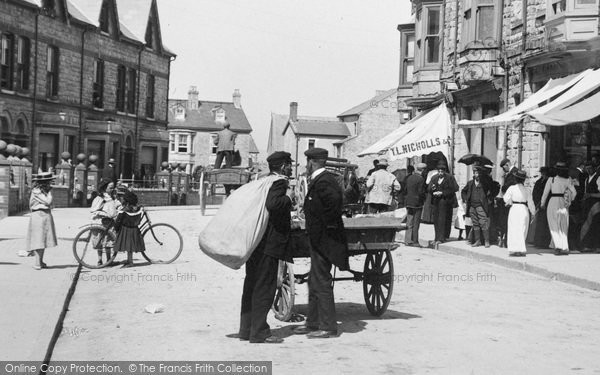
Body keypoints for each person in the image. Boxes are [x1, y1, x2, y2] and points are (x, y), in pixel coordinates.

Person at [236, 151, 295, 344]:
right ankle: (260, 332)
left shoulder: (263, 181)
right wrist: (289, 198)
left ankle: (246, 330)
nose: (291, 167)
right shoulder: (279, 182)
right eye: (289, 164)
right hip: (270, 244)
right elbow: (274, 204)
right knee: (265, 287)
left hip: (256, 242)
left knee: (251, 284)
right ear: (283, 166)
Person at [293, 147, 348, 339]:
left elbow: (332, 210)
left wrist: (322, 232)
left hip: (325, 241)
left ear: (312, 162)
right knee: (314, 281)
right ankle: (313, 322)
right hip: (318, 240)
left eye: (307, 162)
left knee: (322, 282)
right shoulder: (320, 180)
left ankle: (328, 327)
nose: (306, 166)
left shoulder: (325, 181)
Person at [541, 162, 576, 255]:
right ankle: (564, 247)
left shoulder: (551, 179)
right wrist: (569, 201)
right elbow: (574, 192)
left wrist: (542, 203)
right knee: (563, 225)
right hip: (563, 203)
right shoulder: (567, 180)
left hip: (553, 202)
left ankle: (558, 247)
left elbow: (545, 193)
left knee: (554, 225)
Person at [26, 172, 58, 270]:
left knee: (43, 238)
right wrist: (49, 193)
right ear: (44, 182)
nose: (51, 183)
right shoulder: (37, 191)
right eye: (49, 181)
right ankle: (37, 263)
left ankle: (40, 261)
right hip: (38, 215)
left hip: (45, 214)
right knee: (38, 239)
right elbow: (48, 201)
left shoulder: (45, 190)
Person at [503, 170, 535, 256]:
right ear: (524, 180)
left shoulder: (511, 188)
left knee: (513, 229)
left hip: (514, 209)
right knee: (522, 229)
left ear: (516, 179)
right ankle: (521, 249)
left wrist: (509, 201)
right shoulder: (527, 190)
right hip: (524, 209)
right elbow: (530, 202)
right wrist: (533, 212)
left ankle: (514, 249)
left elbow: (506, 198)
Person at [428, 161, 458, 247]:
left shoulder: (449, 178)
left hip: (445, 202)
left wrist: (442, 193)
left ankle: (441, 238)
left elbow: (454, 188)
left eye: (442, 171)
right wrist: (433, 190)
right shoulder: (434, 178)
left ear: (445, 171)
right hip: (436, 201)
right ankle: (436, 237)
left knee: (442, 220)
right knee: (436, 220)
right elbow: (429, 188)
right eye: (439, 171)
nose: (440, 173)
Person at [461, 164, 492, 247]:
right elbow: (463, 191)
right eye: (475, 173)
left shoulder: (484, 184)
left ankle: (486, 241)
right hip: (472, 206)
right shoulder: (470, 183)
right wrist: (465, 199)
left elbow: (491, 192)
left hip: (481, 206)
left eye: (478, 173)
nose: (476, 175)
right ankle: (477, 241)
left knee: (483, 223)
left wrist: (488, 200)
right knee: (475, 223)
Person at [90, 180, 119, 266]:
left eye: (113, 187)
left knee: (108, 241)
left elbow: (115, 205)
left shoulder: (111, 197)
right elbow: (94, 210)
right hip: (100, 222)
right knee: (99, 241)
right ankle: (99, 260)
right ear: (104, 188)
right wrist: (104, 214)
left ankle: (109, 260)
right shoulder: (100, 198)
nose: (112, 189)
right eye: (110, 188)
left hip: (109, 223)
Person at [113, 191, 144, 268]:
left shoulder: (124, 210)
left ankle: (130, 262)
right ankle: (129, 260)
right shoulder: (138, 209)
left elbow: (118, 221)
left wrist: (116, 229)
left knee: (128, 246)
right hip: (135, 229)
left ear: (126, 201)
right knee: (130, 246)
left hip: (126, 229)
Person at [404, 162, 426, 247]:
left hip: (409, 202)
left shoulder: (409, 177)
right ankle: (415, 241)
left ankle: (407, 240)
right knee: (416, 222)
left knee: (409, 221)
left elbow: (405, 190)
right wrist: (424, 198)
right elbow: (421, 192)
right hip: (417, 203)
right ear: (423, 170)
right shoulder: (420, 179)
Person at [580, 160, 600, 252]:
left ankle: (597, 246)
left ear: (594, 168)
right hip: (587, 205)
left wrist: (591, 195)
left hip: (596, 206)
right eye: (587, 169)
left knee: (596, 226)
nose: (588, 170)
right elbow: (585, 193)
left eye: (590, 168)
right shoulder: (586, 179)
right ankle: (588, 246)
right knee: (588, 225)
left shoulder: (598, 178)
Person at [531, 167, 551, 248]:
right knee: (540, 223)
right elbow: (534, 193)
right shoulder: (539, 182)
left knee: (545, 224)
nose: (543, 174)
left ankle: (544, 243)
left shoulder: (549, 181)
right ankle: (538, 242)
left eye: (544, 172)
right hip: (539, 204)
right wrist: (536, 203)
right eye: (542, 172)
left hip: (546, 205)